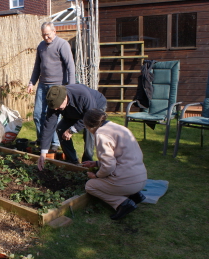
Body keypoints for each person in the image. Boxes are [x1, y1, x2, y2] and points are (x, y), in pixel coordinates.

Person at [82, 109, 147, 220]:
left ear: (89, 126)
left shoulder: (101, 134)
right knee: (115, 179)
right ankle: (135, 195)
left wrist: (96, 176)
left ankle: (123, 203)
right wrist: (97, 163)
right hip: (141, 178)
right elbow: (122, 157)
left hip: (127, 182)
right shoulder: (120, 128)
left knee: (90, 185)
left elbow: (109, 166)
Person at [27, 21, 75, 151]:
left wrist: (70, 87)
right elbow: (37, 67)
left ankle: (55, 143)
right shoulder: (41, 46)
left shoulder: (62, 44)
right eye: (43, 35)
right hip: (42, 84)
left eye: (48, 35)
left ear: (54, 32)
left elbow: (70, 66)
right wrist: (32, 82)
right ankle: (43, 140)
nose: (46, 38)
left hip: (57, 86)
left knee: (53, 115)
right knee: (37, 114)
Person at [37, 84, 107, 171]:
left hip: (95, 107)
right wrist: (43, 153)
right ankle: (73, 161)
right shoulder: (54, 102)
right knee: (60, 128)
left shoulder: (82, 95)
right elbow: (49, 125)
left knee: (90, 129)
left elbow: (91, 117)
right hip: (72, 111)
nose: (56, 109)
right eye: (54, 107)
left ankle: (87, 162)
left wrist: (72, 130)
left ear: (65, 98)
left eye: (58, 106)